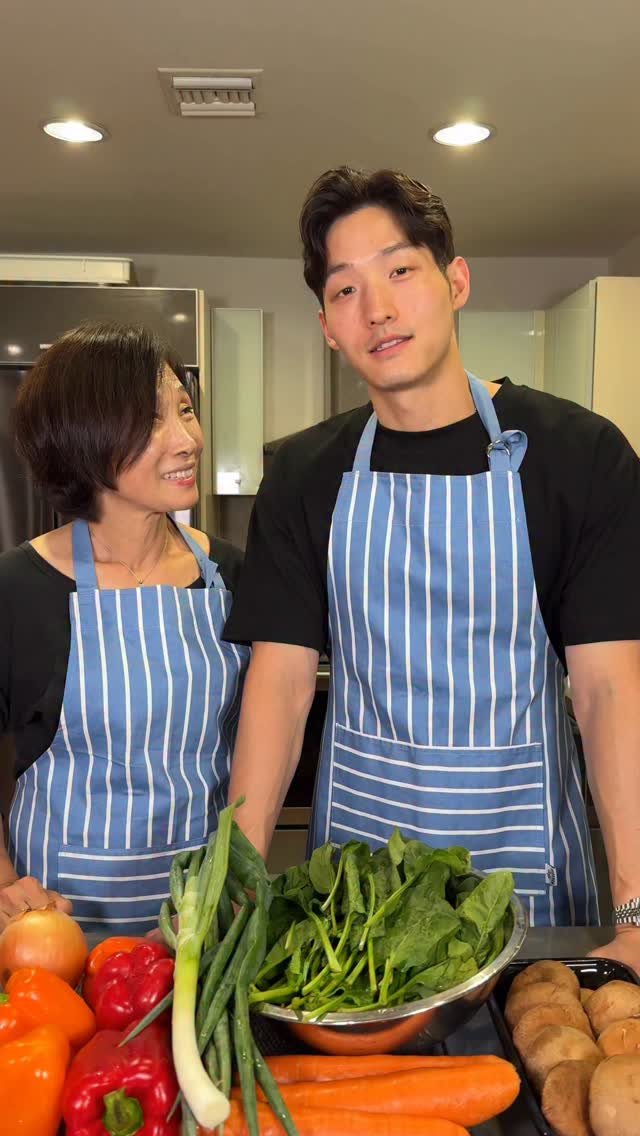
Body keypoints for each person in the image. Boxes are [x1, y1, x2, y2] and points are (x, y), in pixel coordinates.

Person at [225, 166, 640, 969]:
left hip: (530, 882)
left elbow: (609, 690)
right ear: (327, 327)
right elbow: (277, 687)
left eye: (400, 271)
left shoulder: (579, 455)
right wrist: (237, 887)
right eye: (345, 291)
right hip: (359, 893)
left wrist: (635, 909)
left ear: (455, 281)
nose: (376, 308)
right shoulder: (307, 473)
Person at [0, 322, 248, 933]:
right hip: (59, 920)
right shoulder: (17, 589)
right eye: (151, 420)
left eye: (186, 410)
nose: (187, 438)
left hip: (203, 919)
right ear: (83, 438)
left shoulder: (235, 573)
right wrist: (5, 883)